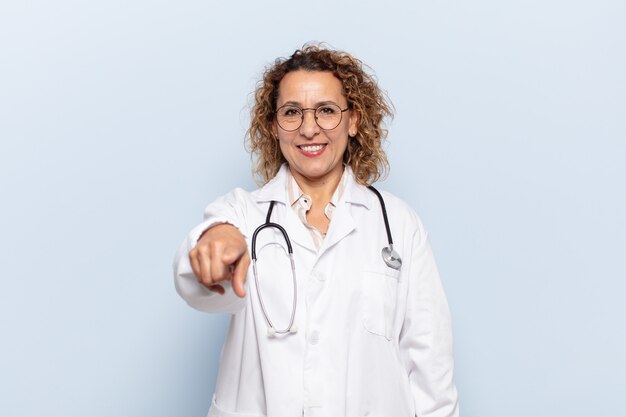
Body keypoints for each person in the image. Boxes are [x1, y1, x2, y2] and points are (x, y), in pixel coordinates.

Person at [173, 44, 459, 417]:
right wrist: (216, 241)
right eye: (292, 113)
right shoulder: (243, 213)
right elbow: (201, 285)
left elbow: (431, 368)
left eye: (326, 111)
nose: (309, 128)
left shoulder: (398, 224)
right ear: (273, 126)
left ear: (353, 121)